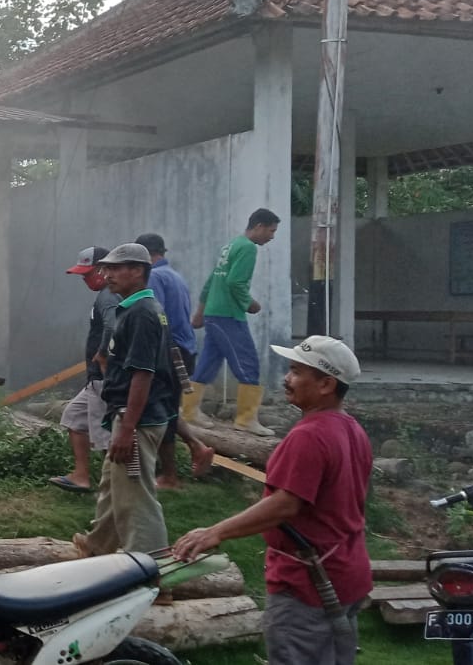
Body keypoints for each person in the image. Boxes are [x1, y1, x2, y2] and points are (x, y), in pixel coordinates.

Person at [174, 336, 371, 665]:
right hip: (347, 570)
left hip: (308, 583)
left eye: (296, 371)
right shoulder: (352, 429)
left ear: (326, 384)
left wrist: (215, 532)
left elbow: (286, 504)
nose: (287, 378)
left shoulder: (309, 436)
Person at [72, 243, 176, 559]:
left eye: (115, 269)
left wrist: (128, 428)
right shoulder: (133, 308)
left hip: (138, 421)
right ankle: (97, 546)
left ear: (138, 271)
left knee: (135, 496)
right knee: (112, 485)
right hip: (130, 415)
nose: (107, 274)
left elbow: (143, 374)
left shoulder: (142, 313)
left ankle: (151, 565)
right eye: (106, 268)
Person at [185, 208, 282, 436]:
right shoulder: (248, 248)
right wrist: (250, 303)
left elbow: (211, 281)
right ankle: (246, 419)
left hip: (214, 313)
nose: (272, 236)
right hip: (228, 315)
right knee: (248, 363)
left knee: (208, 363)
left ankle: (188, 411)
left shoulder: (230, 246)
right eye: (271, 231)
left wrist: (200, 311)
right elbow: (235, 282)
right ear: (259, 226)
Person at [136, 233, 216, 489]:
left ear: (145, 255)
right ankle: (196, 447)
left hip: (169, 351)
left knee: (160, 411)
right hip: (183, 349)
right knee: (168, 407)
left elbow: (155, 316)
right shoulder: (174, 275)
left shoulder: (154, 277)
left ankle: (170, 475)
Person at [48, 246, 114, 493]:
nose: (85, 280)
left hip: (103, 378)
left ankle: (114, 488)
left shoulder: (108, 296)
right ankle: (81, 476)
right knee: (74, 417)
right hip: (95, 378)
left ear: (103, 269)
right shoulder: (104, 295)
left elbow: (112, 326)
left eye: (88, 274)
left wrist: (103, 353)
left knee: (106, 436)